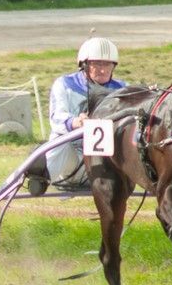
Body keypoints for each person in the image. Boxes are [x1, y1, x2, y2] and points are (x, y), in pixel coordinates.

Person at [37, 37, 126, 192]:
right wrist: (76, 122)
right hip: (71, 162)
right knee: (60, 141)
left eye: (107, 64)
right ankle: (39, 180)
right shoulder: (64, 84)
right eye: (97, 64)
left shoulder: (123, 89)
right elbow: (56, 119)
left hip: (107, 166)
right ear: (84, 65)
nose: (103, 70)